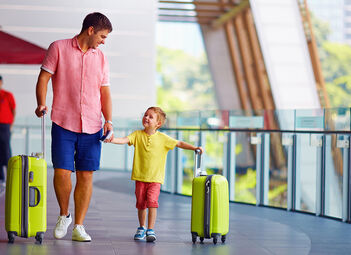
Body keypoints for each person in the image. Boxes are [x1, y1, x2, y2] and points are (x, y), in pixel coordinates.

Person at [35, 12, 113, 242]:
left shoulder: (101, 58)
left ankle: (79, 225)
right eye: (102, 36)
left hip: (92, 124)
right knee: (61, 172)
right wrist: (41, 103)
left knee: (86, 175)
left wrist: (108, 120)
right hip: (63, 121)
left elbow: (105, 91)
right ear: (90, 30)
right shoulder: (58, 48)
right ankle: (64, 215)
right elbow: (43, 78)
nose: (103, 41)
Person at [107, 106, 203, 242]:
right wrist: (111, 139)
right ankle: (141, 227)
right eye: (145, 115)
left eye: (150, 117)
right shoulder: (137, 134)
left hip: (155, 179)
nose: (146, 118)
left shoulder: (163, 138)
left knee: (152, 203)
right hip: (140, 177)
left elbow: (179, 143)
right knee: (141, 204)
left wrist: (195, 148)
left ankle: (150, 230)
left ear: (158, 124)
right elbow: (124, 140)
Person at [0, 75, 16, 186]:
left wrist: (11, 125)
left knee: (6, 150)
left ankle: (11, 176)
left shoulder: (7, 95)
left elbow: (13, 110)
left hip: (5, 126)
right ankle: (1, 178)